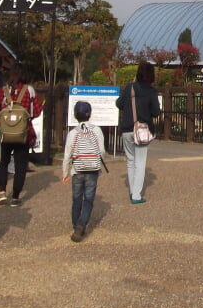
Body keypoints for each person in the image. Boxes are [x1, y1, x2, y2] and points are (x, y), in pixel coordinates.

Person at [0, 66, 41, 207]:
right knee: (20, 164)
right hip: (24, 132)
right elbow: (37, 111)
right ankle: (16, 196)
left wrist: (2, 119)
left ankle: (2, 192)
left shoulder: (3, 91)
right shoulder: (29, 91)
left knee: (3, 162)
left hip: (5, 132)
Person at [115, 61, 160, 204]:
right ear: (151, 75)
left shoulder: (130, 88)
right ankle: (136, 195)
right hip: (141, 131)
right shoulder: (151, 91)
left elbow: (119, 104)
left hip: (127, 129)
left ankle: (132, 191)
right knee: (140, 163)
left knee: (130, 161)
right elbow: (156, 112)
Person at [62, 100, 105, 242]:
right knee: (89, 199)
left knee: (76, 198)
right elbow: (102, 151)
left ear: (75, 115)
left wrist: (65, 173)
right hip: (93, 169)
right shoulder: (96, 130)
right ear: (90, 114)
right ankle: (81, 224)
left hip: (77, 169)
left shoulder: (73, 133)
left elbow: (68, 155)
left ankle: (76, 224)